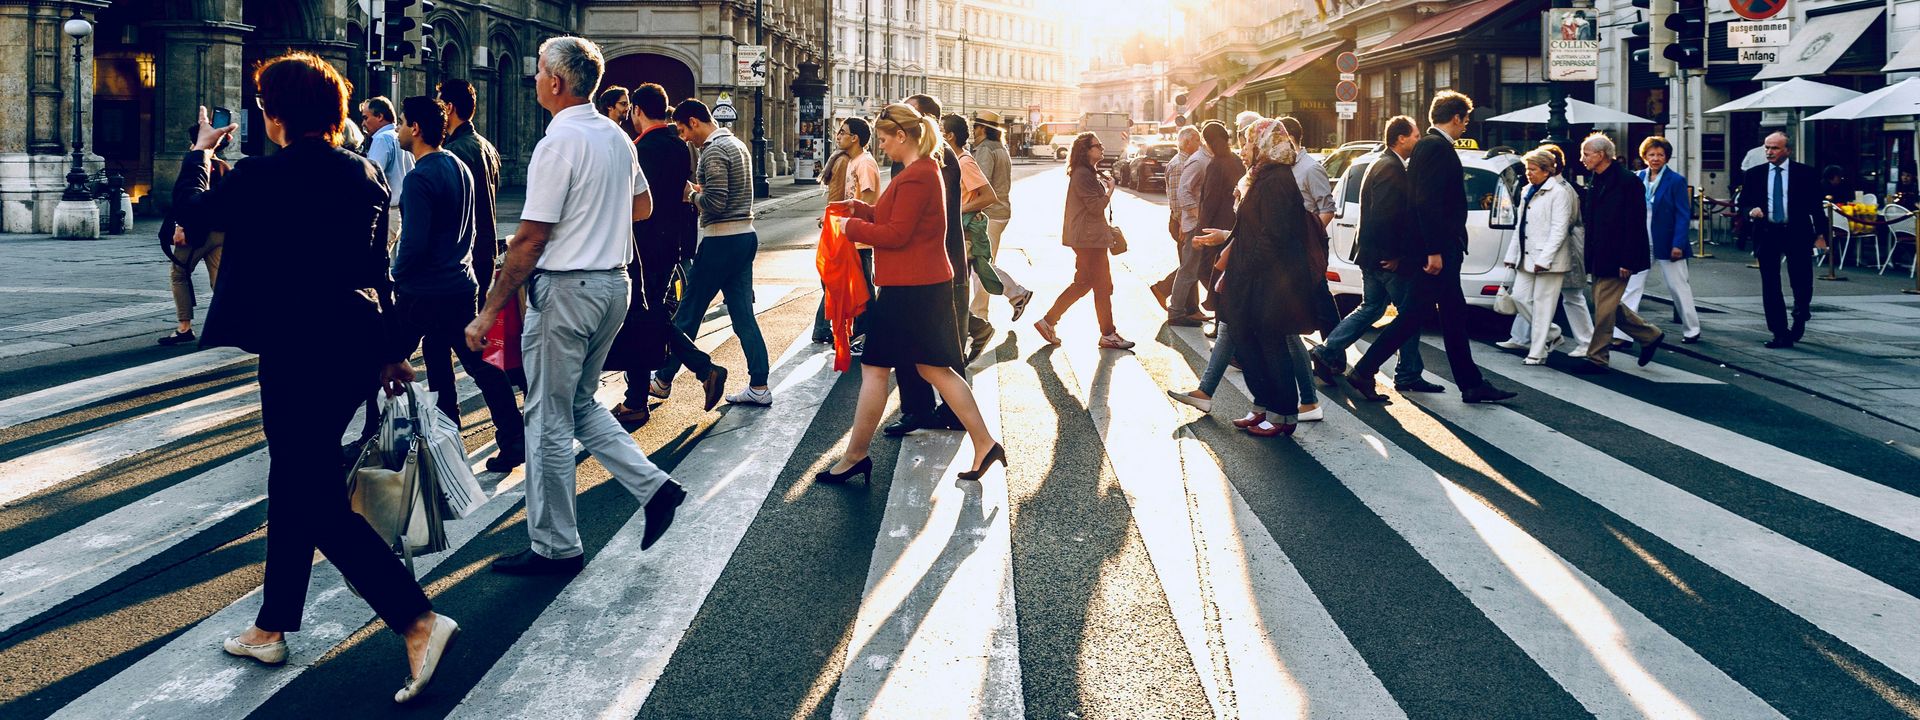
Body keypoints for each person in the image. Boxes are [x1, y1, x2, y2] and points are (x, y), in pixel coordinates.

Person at [173, 53, 456, 702]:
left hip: (296, 350)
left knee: (312, 495)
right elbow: (378, 269)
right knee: (296, 477)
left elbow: (189, 210)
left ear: (275, 115)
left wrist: (200, 151)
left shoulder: (259, 177)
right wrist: (390, 351)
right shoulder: (362, 173)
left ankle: (417, 620)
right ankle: (272, 626)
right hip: (354, 347)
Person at [463, 36, 687, 576]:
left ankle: (555, 546)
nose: (535, 78)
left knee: (545, 419)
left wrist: (489, 310)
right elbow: (643, 206)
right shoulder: (616, 136)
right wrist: (596, 218)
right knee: (580, 404)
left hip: (566, 290)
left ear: (555, 82)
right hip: (613, 285)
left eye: (538, 71)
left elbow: (530, 238)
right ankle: (655, 488)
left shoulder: (557, 143)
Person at [817, 103, 1004, 484]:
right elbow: (893, 219)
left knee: (875, 368)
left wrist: (851, 227)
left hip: (911, 288)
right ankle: (984, 443)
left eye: (885, 139)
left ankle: (855, 456)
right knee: (932, 367)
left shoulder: (919, 175)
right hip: (920, 285)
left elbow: (896, 235)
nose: (882, 146)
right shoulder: (920, 171)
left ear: (902, 136)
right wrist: (856, 208)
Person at [1342, 92, 1517, 404]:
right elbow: (1427, 202)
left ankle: (1471, 383)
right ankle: (1365, 370)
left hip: (1438, 249)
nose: (1466, 126)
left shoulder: (1431, 146)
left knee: (1449, 315)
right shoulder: (1435, 147)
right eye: (1465, 120)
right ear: (1455, 118)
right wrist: (1434, 250)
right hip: (1437, 252)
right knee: (1417, 316)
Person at [388, 95, 527, 471]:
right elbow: (475, 226)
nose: (399, 129)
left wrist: (395, 275)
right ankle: (511, 437)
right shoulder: (458, 166)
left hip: (423, 290)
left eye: (402, 122)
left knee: (383, 358)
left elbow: (413, 243)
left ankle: (373, 439)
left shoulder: (419, 177)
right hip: (459, 284)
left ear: (415, 128)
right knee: (476, 363)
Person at [1189, 119, 1321, 437]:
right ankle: (1263, 406)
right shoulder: (1263, 175)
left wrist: (1244, 268)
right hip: (1255, 276)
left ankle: (1282, 415)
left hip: (1270, 280)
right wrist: (1226, 239)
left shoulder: (1275, 179)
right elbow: (1251, 227)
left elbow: (1272, 235)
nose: (1243, 147)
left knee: (1271, 346)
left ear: (1264, 143)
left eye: (1248, 141)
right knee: (1250, 344)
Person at [607, 84, 727, 425]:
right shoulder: (679, 147)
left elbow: (630, 201)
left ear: (638, 112)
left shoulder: (637, 149)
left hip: (642, 247)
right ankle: (695, 373)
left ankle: (642, 398)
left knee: (644, 317)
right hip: (671, 245)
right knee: (651, 315)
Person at [650, 99, 775, 406]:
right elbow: (725, 193)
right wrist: (700, 190)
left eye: (683, 129)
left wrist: (690, 193)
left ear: (694, 121)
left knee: (689, 312)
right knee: (743, 315)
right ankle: (759, 385)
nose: (683, 137)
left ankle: (664, 379)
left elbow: (716, 203)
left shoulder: (714, 150)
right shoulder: (736, 145)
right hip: (745, 236)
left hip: (721, 240)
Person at [1310, 115, 1437, 392]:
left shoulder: (1378, 162)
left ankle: (1327, 349)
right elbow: (1384, 216)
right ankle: (1408, 373)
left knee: (1371, 307)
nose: (1418, 140)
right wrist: (1394, 255)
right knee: (1408, 314)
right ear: (1401, 138)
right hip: (1385, 258)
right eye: (1415, 136)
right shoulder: (1392, 168)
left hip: (1369, 253)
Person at [885, 93, 974, 436]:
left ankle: (927, 410)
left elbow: (908, 216)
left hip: (927, 262)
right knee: (932, 342)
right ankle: (938, 411)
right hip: (937, 259)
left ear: (921, 120)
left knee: (927, 343)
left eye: (905, 112)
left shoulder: (927, 157)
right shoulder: (935, 155)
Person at [1032, 132, 1135, 351]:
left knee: (1084, 283)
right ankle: (1108, 334)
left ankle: (1048, 321)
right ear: (1086, 151)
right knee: (1103, 286)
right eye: (1097, 146)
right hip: (1088, 240)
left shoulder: (1087, 173)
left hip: (1089, 237)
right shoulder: (1082, 175)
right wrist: (1110, 191)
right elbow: (1096, 207)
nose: (1102, 148)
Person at [1497, 143, 1596, 357]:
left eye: (1533, 168)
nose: (1528, 173)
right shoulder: (1529, 190)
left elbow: (1563, 227)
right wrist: (1513, 255)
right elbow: (1522, 226)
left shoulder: (1563, 190)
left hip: (1560, 253)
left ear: (1550, 167)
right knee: (1526, 298)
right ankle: (1529, 337)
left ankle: (1583, 342)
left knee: (1569, 297)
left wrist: (1546, 256)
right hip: (1534, 254)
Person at [1579, 132, 1665, 367]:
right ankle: (1650, 335)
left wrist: (1627, 260)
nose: (1582, 159)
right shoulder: (1597, 178)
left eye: (1586, 154)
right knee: (1606, 305)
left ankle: (1597, 357)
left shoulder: (1627, 181)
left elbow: (1634, 224)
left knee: (1604, 310)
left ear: (1601, 155)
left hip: (1618, 256)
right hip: (1600, 253)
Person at [1737, 131, 1825, 348]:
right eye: (1767, 147)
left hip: (1796, 232)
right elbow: (1743, 203)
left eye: (1774, 148)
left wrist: (1821, 236)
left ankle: (1801, 312)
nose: (1769, 152)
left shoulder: (1805, 174)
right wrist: (1751, 211)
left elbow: (1816, 208)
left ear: (1788, 150)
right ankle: (1779, 331)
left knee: (1801, 279)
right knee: (1770, 283)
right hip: (1768, 233)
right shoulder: (1754, 174)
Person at [965, 110, 1034, 349]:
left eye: (975, 128)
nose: (973, 133)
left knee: (982, 265)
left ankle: (1012, 296)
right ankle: (981, 312)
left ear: (983, 129)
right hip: (1001, 211)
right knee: (982, 264)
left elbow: (979, 185)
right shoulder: (1000, 148)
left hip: (988, 213)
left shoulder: (984, 150)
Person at [811, 117, 881, 347]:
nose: (838, 136)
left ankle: (867, 334)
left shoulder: (865, 163)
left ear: (855, 138)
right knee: (854, 287)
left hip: (860, 237)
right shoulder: (853, 161)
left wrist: (847, 223)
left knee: (863, 288)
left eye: (843, 132)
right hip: (851, 236)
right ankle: (860, 333)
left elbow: (868, 202)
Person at [158, 123, 229, 346]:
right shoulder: (225, 167)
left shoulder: (195, 164)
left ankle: (184, 328)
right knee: (219, 280)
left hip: (195, 233)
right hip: (221, 233)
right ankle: (227, 326)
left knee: (179, 274)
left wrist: (179, 226)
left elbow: (185, 201)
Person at [940, 113, 1004, 362]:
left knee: (953, 290)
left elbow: (988, 196)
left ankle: (976, 331)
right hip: (954, 232)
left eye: (940, 129)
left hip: (963, 235)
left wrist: (957, 209)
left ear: (950, 135)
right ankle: (975, 329)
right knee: (951, 291)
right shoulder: (951, 159)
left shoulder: (964, 162)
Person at [437, 79, 504, 313]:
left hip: (462, 254)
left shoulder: (453, 152)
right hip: (486, 249)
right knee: (474, 323)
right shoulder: (488, 147)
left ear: (449, 107)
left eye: (439, 102)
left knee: (445, 332)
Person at [1630, 136, 1701, 344]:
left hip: (1668, 240)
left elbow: (1682, 214)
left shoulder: (1676, 180)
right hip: (1642, 239)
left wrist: (1678, 243)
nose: (1655, 158)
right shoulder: (1637, 177)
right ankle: (1622, 333)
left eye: (1660, 155)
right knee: (1632, 286)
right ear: (1644, 156)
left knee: (1678, 287)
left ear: (1666, 158)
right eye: (1651, 154)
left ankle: (1692, 329)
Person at [1278, 115, 1343, 338]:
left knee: (1321, 299)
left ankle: (1333, 356)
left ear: (1291, 138)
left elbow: (1327, 209)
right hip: (1288, 246)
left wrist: (1308, 236)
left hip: (1307, 245)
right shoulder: (1283, 166)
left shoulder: (1310, 168)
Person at [1157, 124, 1208, 322]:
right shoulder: (1180, 164)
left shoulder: (1189, 161)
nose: (1200, 143)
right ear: (1187, 142)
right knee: (1189, 264)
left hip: (1184, 220)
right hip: (1181, 220)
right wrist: (1180, 224)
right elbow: (1178, 198)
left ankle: (1191, 308)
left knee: (1190, 263)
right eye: (1196, 140)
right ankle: (1166, 292)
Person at [361, 96, 412, 248]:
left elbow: (371, 177)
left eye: (365, 118)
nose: (363, 123)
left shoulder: (382, 139)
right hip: (403, 211)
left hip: (389, 213)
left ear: (380, 116)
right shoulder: (401, 136)